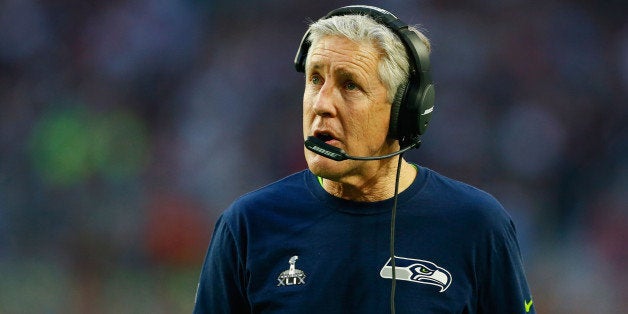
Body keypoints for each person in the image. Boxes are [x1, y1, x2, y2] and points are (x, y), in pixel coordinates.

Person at [194, 5, 534, 314]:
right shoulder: (247, 227)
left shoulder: (476, 225)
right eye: (315, 79)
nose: (322, 104)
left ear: (404, 112)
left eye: (350, 85)